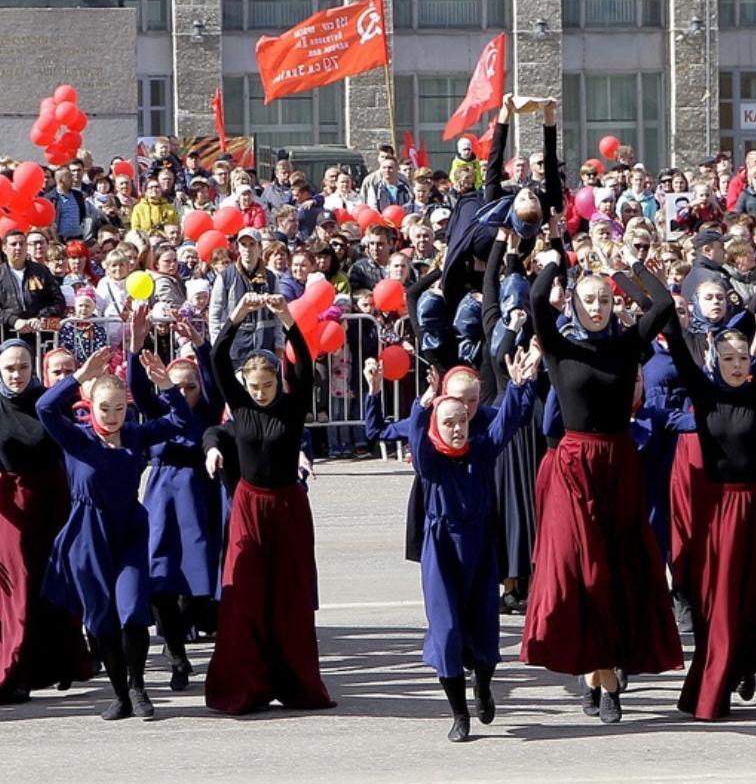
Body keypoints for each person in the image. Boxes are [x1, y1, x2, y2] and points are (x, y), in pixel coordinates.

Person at [522, 249, 681, 724]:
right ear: (573, 303)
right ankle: (599, 674)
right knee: (584, 573)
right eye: (588, 301)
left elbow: (663, 306)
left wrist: (627, 271)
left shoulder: (627, 344)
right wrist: (553, 259)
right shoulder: (558, 344)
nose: (597, 308)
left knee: (618, 571)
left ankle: (602, 673)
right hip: (573, 466)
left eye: (605, 302)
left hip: (619, 464)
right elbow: (535, 298)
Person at [373, 340, 541, 741]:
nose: (458, 425)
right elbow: (415, 439)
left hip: (480, 544)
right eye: (448, 420)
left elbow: (508, 423)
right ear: (437, 423)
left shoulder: (481, 449)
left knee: (485, 627)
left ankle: (483, 685)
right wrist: (421, 407)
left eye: (464, 418)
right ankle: (459, 714)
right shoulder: (432, 461)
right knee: (446, 630)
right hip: (442, 547)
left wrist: (519, 386)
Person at [658, 243, 756, 720]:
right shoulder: (705, 393)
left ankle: (746, 666)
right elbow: (673, 332)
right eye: (729, 358)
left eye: (742, 359)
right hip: (720, 512)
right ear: (715, 361)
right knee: (720, 603)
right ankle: (712, 687)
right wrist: (658, 295)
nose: (738, 365)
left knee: (754, 599)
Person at [36, 341, 198, 720]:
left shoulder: (136, 436)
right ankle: (120, 693)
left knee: (132, 611)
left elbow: (181, 423)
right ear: (90, 406)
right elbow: (44, 408)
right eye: (104, 409)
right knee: (101, 618)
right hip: (86, 533)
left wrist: (168, 389)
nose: (112, 417)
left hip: (128, 528)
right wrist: (79, 376)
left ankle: (139, 688)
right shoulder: (77, 437)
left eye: (120, 409)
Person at [203, 293, 334, 715]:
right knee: (245, 598)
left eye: (267, 385)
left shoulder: (293, 407)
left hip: (288, 508)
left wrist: (284, 317)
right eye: (254, 386)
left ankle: (298, 686)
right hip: (248, 506)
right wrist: (239, 314)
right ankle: (244, 687)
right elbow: (219, 358)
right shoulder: (240, 406)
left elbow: (305, 364)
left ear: (278, 381)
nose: (260, 393)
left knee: (290, 597)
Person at [0, 337, 93, 704]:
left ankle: (59, 663)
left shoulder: (48, 400)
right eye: (9, 368)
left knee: (52, 582)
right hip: (14, 501)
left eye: (23, 367)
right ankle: (14, 670)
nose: (17, 374)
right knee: (17, 586)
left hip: (53, 496)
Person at [131, 320, 222, 692]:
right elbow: (138, 388)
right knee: (159, 579)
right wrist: (136, 347)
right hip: (160, 497)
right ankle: (175, 655)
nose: (184, 392)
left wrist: (200, 344)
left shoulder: (207, 413)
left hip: (198, 499)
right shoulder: (160, 413)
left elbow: (217, 381)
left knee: (195, 584)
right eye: (177, 385)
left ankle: (187, 632)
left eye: (190, 386)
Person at [0, 230, 66, 335]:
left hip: (42, 334)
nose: (18, 247)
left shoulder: (42, 271)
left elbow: (58, 301)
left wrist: (40, 318)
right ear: (4, 248)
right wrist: (13, 320)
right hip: (10, 335)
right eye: (13, 244)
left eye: (22, 244)